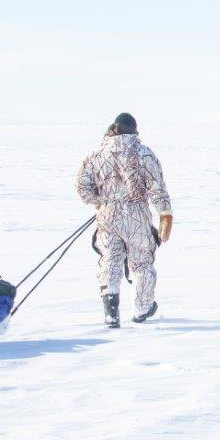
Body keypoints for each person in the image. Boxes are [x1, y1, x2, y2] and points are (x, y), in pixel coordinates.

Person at [76, 112, 173, 328]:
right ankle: (142, 309)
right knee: (141, 262)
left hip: (107, 216)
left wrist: (100, 201)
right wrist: (164, 215)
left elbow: (82, 187)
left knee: (110, 259)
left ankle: (111, 313)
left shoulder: (96, 154)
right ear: (134, 130)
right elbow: (157, 189)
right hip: (136, 215)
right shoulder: (144, 153)